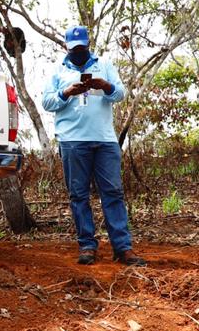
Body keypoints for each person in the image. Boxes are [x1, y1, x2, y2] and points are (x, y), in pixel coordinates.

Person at [41, 26, 147, 267]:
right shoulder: (58, 70)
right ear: (67, 48)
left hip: (104, 139)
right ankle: (87, 245)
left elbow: (120, 93)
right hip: (72, 140)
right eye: (74, 48)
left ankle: (123, 247)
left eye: (82, 47)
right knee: (78, 195)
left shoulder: (105, 65)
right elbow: (47, 101)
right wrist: (66, 92)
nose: (79, 52)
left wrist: (104, 86)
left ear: (88, 45)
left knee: (113, 192)